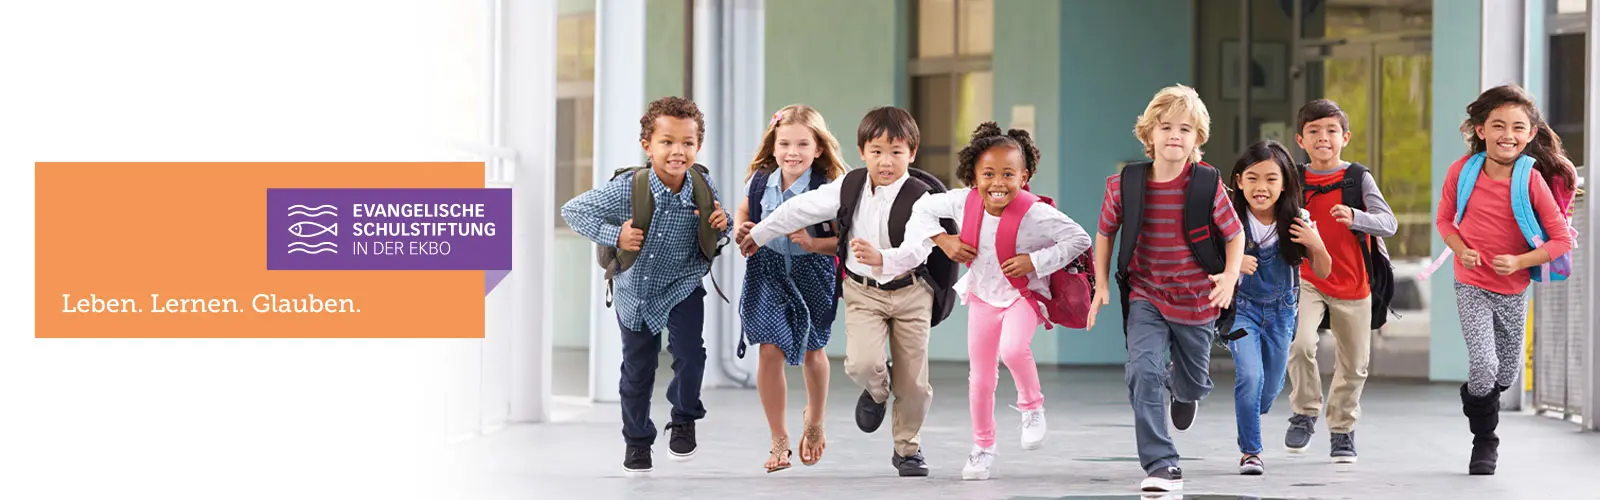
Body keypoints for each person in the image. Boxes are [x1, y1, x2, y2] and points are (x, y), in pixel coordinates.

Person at [854, 122, 1091, 481]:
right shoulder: (964, 202)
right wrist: (943, 240)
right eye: (988, 174)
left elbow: (1079, 239)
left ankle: (1032, 407)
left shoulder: (1035, 212)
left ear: (1024, 176)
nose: (998, 183)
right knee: (980, 378)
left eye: (1008, 174)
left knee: (1013, 350)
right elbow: (922, 208)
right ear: (973, 176)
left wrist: (1035, 262)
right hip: (982, 296)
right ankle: (982, 447)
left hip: (1021, 295)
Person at [1085, 84, 1245, 493]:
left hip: (1197, 299)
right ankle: (1161, 463)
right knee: (1143, 370)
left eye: (1185, 129)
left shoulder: (1207, 184)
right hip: (1146, 295)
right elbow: (1104, 233)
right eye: (1166, 126)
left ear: (1198, 139)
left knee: (1192, 380)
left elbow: (1234, 234)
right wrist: (1101, 283)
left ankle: (1185, 390)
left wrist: (1228, 278)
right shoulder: (1125, 184)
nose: (1175, 135)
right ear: (1148, 134)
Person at [560, 96, 730, 476]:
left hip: (684, 281)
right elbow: (572, 210)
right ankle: (637, 442)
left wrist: (723, 221)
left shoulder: (702, 184)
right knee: (638, 370)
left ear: (698, 145)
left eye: (687, 143)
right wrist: (614, 234)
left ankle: (684, 416)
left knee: (691, 354)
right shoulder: (627, 188)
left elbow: (721, 222)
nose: (677, 151)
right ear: (647, 146)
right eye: (667, 142)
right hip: (636, 291)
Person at [1437, 84, 1576, 476]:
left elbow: (1560, 239)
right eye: (1497, 125)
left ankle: (1481, 404)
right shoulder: (1461, 172)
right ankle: (1485, 441)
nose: (1507, 135)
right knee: (1483, 364)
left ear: (1531, 134)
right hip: (1471, 282)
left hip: (1514, 288)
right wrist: (1460, 248)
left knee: (1505, 374)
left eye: (1517, 127)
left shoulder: (1530, 179)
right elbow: (1445, 220)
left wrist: (1518, 261)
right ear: (1480, 130)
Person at [732, 105, 848, 472]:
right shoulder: (760, 180)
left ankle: (814, 419)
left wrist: (814, 244)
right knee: (769, 349)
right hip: (767, 271)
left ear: (818, 149)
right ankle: (778, 438)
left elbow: (846, 241)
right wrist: (742, 227)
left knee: (814, 350)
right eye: (784, 143)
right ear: (773, 144)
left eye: (802, 144)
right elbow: (744, 210)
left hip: (812, 271)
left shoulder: (829, 188)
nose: (792, 152)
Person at [1223, 140, 1331, 475]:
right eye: (1253, 178)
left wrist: (1316, 243)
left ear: (1284, 183)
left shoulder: (1298, 219)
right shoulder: (1228, 219)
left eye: (1271, 178)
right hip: (1242, 309)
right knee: (1250, 377)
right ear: (1239, 181)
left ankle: (1252, 412)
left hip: (1282, 314)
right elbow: (1207, 262)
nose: (1261, 187)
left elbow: (1325, 269)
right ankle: (1251, 452)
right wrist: (1233, 263)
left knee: (1268, 389)